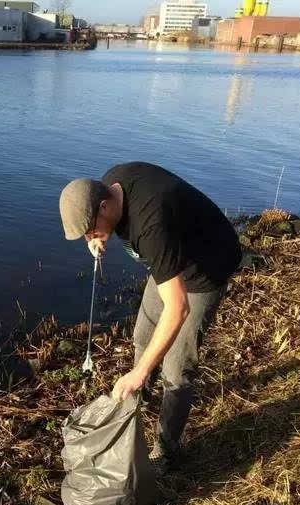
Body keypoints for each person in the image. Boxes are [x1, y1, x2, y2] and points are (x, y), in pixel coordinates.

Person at [59, 162, 241, 474]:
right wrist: (99, 236)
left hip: (205, 269)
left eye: (92, 229)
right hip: (172, 260)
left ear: (105, 206)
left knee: (177, 370)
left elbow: (178, 308)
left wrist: (140, 372)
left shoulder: (150, 226)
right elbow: (144, 240)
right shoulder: (111, 184)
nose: (91, 236)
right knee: (143, 336)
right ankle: (136, 401)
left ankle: (166, 450)